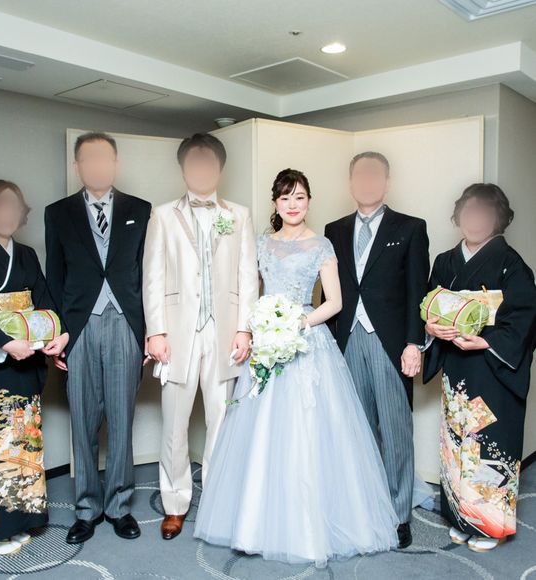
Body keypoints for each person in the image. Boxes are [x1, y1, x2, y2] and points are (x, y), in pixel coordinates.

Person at [194, 168, 399, 567]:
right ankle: (254, 525)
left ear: (309, 202)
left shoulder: (321, 244)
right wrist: (257, 327)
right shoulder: (261, 243)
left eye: (300, 197)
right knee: (262, 434)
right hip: (266, 341)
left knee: (308, 433)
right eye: (285, 197)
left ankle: (308, 527)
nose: (292, 204)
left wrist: (298, 322)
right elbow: (247, 289)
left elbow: (335, 301)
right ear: (275, 203)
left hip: (307, 342)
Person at [143, 133, 258, 540]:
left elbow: (247, 275)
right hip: (177, 334)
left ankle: (217, 500)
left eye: (209, 163)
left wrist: (244, 328)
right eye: (194, 163)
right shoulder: (162, 215)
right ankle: (174, 504)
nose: (202, 170)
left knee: (221, 421)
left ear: (219, 169)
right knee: (174, 424)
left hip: (225, 333)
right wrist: (156, 331)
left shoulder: (239, 215)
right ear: (184, 169)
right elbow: (152, 277)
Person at [45, 132, 152, 544]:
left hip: (125, 322)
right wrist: (59, 334)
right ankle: (86, 510)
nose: (97, 166)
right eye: (88, 160)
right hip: (79, 326)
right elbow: (55, 278)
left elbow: (147, 275)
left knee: (122, 419)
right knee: (83, 421)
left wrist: (148, 331)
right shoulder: (58, 213)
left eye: (104, 159)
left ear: (115, 163)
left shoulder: (140, 210)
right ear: (78, 166)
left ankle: (119, 507)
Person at [0, 180, 68, 555]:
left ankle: (18, 522)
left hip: (25, 359)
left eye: (13, 207)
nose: (7, 214)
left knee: (23, 442)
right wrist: (4, 343)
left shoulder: (26, 255)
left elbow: (45, 302)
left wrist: (57, 334)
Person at [324, 152, 430, 548]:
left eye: (374, 176)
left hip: (390, 343)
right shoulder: (334, 229)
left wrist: (413, 344)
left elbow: (418, 290)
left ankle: (399, 515)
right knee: (357, 428)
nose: (367, 183)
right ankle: (364, 507)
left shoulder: (411, 227)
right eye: (360, 176)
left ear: (386, 182)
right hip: (347, 339)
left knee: (396, 429)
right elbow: (329, 292)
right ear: (351, 183)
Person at [423, 183, 536, 552]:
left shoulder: (512, 264)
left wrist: (486, 341)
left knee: (489, 443)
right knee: (457, 443)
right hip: (457, 367)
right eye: (469, 211)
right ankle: (461, 517)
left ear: (497, 219)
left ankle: (488, 526)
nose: (475, 220)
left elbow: (524, 319)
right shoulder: (445, 261)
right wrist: (432, 328)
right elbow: (429, 305)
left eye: (484, 213)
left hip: (492, 371)